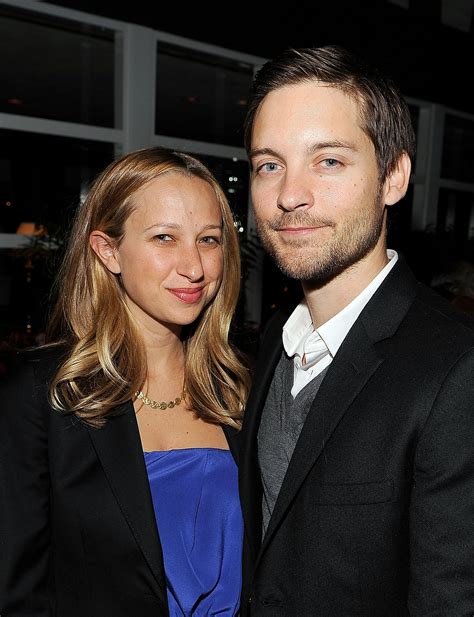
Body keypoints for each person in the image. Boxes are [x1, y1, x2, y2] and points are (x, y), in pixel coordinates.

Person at [238, 45, 474, 616]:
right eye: (270, 164)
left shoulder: (457, 369)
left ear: (393, 177)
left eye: (329, 161)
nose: (289, 195)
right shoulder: (276, 338)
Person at [0, 146, 250, 616]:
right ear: (108, 250)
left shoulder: (242, 389)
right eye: (163, 238)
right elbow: (17, 593)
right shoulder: (43, 397)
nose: (194, 267)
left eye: (210, 239)